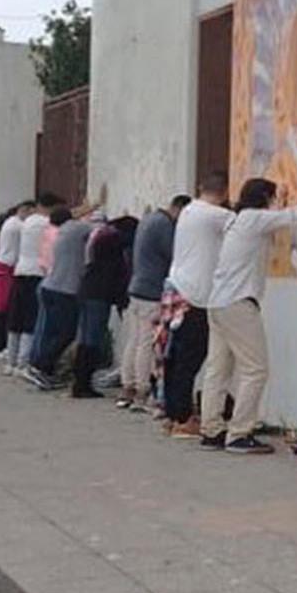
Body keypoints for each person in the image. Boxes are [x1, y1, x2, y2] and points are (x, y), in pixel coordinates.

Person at [197, 178, 297, 454]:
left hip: (219, 303)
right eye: (273, 197)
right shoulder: (253, 219)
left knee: (218, 369)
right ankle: (239, 433)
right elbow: (295, 216)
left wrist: (286, 204)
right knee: (255, 369)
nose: (276, 203)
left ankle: (211, 429)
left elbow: (280, 216)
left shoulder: (240, 220)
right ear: (263, 198)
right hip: (238, 304)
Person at [162, 173, 232, 436]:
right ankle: (183, 418)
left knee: (175, 358)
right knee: (189, 361)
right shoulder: (213, 215)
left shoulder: (189, 211)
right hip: (197, 298)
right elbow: (246, 224)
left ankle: (172, 414)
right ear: (224, 192)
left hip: (178, 291)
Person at [122, 195, 188, 411]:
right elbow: (174, 255)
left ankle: (128, 386)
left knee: (134, 340)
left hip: (137, 286)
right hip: (152, 290)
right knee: (147, 343)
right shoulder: (164, 225)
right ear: (178, 208)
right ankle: (142, 390)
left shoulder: (148, 219)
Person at [21, 205, 82, 389]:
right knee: (65, 332)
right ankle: (42, 365)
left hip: (48, 284)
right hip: (63, 290)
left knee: (47, 330)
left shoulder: (52, 233)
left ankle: (37, 364)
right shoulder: (71, 232)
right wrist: (93, 206)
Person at [76, 213, 136, 398]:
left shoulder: (101, 235)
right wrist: (121, 299)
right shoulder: (114, 240)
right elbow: (117, 273)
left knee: (86, 338)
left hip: (89, 289)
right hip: (99, 294)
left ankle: (80, 381)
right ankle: (83, 384)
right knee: (93, 338)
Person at [7, 193, 60, 374]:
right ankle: (23, 362)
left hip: (20, 271)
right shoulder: (45, 223)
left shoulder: (27, 222)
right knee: (30, 319)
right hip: (36, 273)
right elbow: (66, 222)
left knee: (17, 318)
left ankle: (11, 361)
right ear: (50, 208)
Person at [0, 200, 31, 359]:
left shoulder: (8, 222)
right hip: (8, 270)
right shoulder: (18, 226)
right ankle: (0, 344)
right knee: (5, 309)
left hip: (2, 267)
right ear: (24, 210)